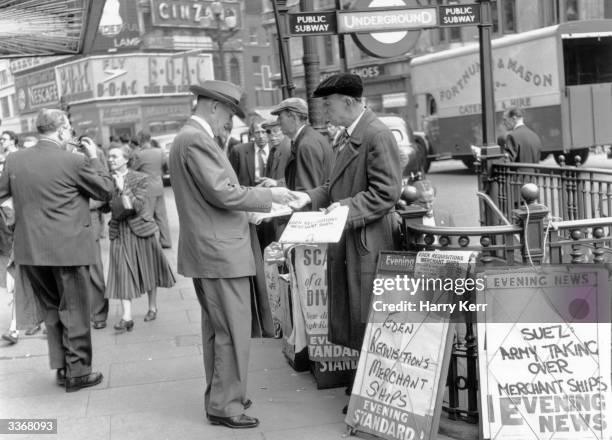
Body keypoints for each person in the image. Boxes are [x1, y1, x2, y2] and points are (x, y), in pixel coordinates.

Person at [169, 80, 293, 429]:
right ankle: (226, 405)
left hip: (212, 251)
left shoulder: (189, 138)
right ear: (213, 106)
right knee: (231, 332)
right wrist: (272, 198)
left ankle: (223, 395)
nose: (231, 123)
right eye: (229, 115)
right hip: (220, 253)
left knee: (219, 330)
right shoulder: (196, 140)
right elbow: (224, 193)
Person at [287, 73, 402, 412]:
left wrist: (346, 208)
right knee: (354, 317)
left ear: (349, 102)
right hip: (351, 241)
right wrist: (304, 198)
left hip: (368, 244)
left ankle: (375, 394)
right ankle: (364, 384)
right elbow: (333, 187)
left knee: (367, 317)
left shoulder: (377, 134)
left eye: (328, 103)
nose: (324, 111)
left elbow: (387, 193)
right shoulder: (349, 136)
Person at [0, 108, 113, 391]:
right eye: (69, 131)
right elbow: (105, 191)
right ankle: (78, 373)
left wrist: (15, 218)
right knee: (74, 310)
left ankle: (63, 368)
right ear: (62, 130)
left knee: (52, 310)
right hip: (69, 250)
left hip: (31, 251)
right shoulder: (73, 161)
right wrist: (95, 159)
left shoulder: (14, 160)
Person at [105, 145, 175, 332]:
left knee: (148, 269)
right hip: (119, 231)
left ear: (125, 159)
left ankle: (152, 307)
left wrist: (123, 188)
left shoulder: (140, 178)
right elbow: (105, 207)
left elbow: (137, 205)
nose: (110, 159)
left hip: (141, 230)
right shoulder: (107, 180)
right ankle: (127, 317)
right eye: (109, 156)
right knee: (122, 273)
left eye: (114, 156)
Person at [271, 97, 334, 191]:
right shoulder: (308, 139)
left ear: (292, 116)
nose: (278, 122)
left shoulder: (306, 144)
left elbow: (308, 192)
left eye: (280, 117)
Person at [131, 132, 172, 248]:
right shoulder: (160, 152)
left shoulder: (139, 155)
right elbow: (166, 167)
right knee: (162, 217)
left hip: (146, 189)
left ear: (140, 140)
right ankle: (166, 241)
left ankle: (148, 244)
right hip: (159, 187)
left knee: (147, 216)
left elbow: (133, 170)